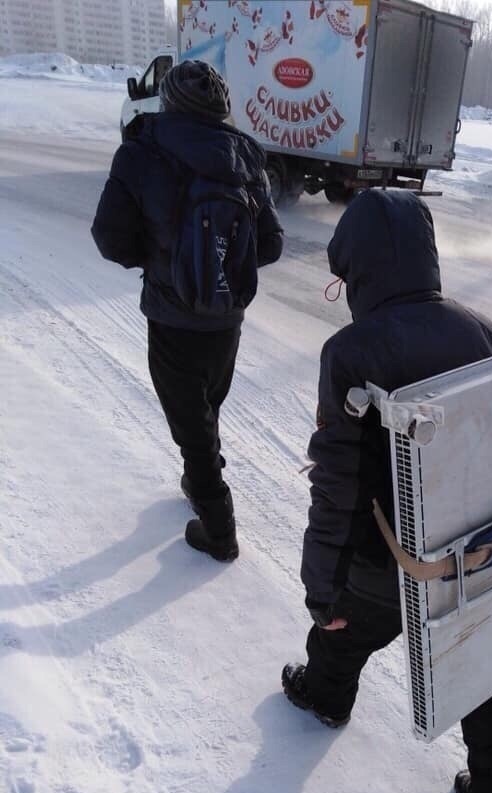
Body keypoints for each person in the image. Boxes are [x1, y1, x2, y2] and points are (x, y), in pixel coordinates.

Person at [282, 189, 492, 793]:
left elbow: (336, 486)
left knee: (339, 638)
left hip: (382, 564)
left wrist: (322, 590)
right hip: (467, 552)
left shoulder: (351, 353)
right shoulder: (486, 331)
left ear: (358, 268)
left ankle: (325, 698)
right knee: (469, 657)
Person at [92, 60, 283, 561]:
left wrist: (163, 264)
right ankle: (200, 472)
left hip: (172, 312)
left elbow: (109, 238)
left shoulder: (141, 151)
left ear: (169, 102)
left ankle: (219, 527)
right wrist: (224, 264)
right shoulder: (247, 157)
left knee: (186, 415)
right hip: (227, 317)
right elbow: (272, 245)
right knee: (205, 404)